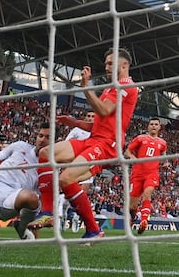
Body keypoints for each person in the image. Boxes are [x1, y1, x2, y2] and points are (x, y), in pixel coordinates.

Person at [33, 47, 138, 241]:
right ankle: (47, 212)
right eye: (106, 63)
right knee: (46, 153)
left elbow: (104, 110)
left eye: (110, 63)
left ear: (124, 65)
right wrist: (75, 123)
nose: (106, 67)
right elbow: (100, 123)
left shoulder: (126, 86)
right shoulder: (110, 88)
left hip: (107, 145)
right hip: (94, 139)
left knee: (66, 178)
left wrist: (85, 86)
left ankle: (94, 230)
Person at [124, 117, 169, 234]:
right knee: (132, 207)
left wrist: (165, 163)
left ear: (159, 127)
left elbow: (164, 157)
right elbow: (127, 151)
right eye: (151, 124)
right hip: (137, 174)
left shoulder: (163, 143)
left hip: (152, 174)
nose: (153, 126)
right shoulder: (140, 138)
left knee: (147, 194)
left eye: (156, 124)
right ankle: (133, 217)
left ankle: (144, 221)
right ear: (148, 126)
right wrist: (133, 157)